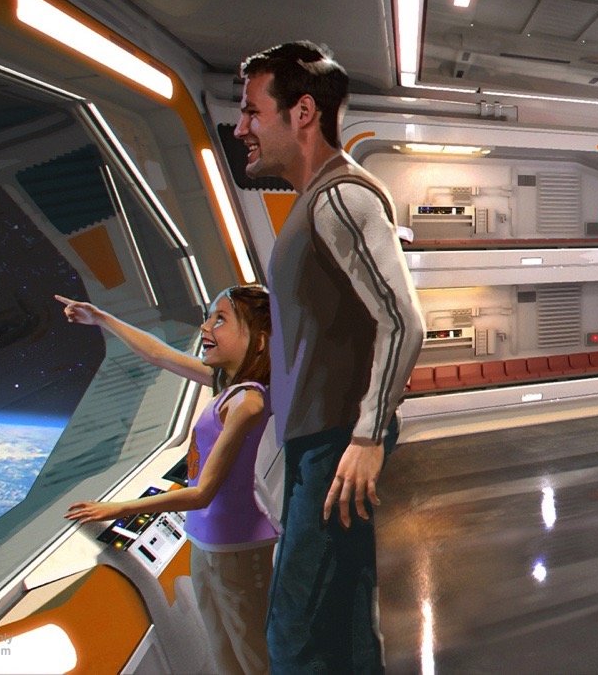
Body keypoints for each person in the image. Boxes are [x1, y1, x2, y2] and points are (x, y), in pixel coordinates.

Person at [233, 41, 423, 674]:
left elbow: (402, 319)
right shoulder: (312, 200)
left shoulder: (340, 199)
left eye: (253, 111)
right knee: (339, 616)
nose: (241, 128)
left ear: (303, 113)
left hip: (336, 443)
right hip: (320, 440)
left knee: (298, 633)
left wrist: (367, 436)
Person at [58, 285, 276, 675]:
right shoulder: (224, 386)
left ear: (258, 341)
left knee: (255, 654)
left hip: (240, 548)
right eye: (209, 317)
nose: (206, 327)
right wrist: (102, 318)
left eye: (221, 319)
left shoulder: (249, 402)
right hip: (206, 543)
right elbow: (158, 354)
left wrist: (117, 509)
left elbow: (202, 493)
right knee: (223, 649)